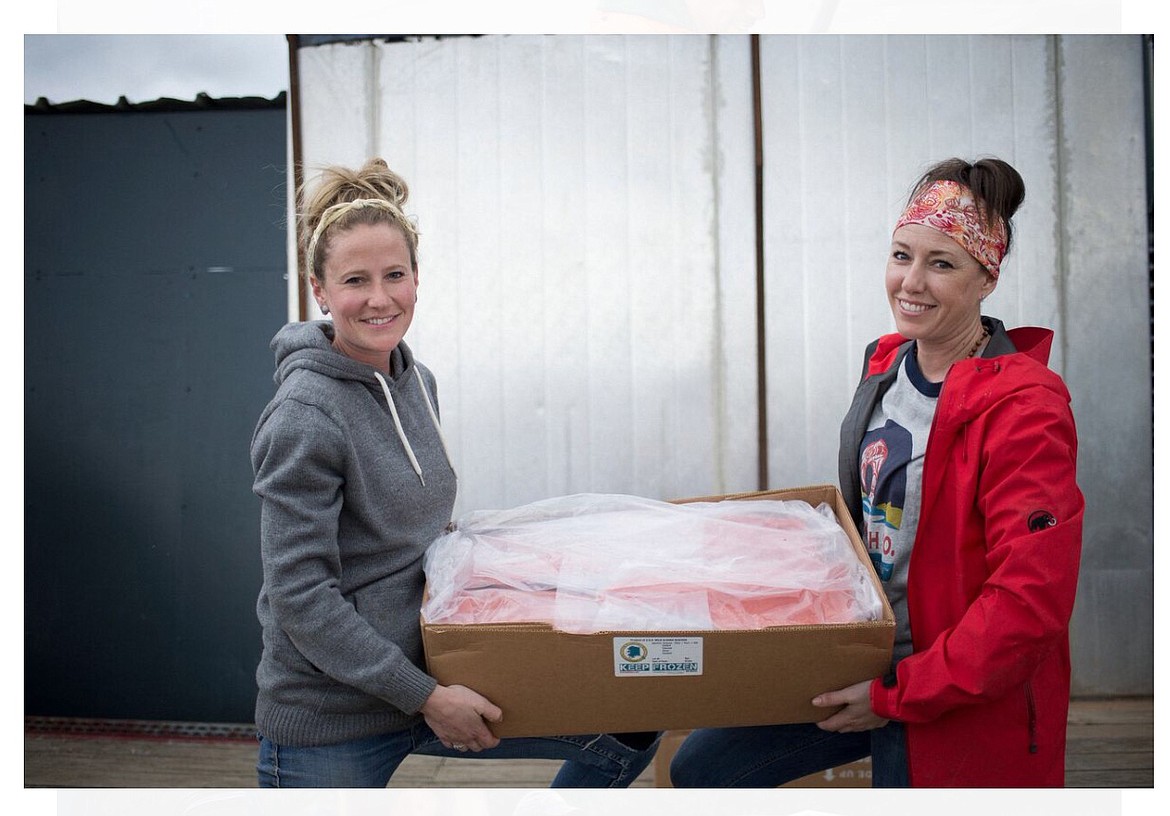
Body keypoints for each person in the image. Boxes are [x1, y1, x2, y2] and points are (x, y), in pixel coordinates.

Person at [670, 157, 1084, 787]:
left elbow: (1029, 606)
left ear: (985, 279)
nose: (910, 282)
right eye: (901, 255)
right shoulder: (886, 365)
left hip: (950, 690)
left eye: (941, 264)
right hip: (866, 657)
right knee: (704, 768)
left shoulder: (1026, 410)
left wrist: (896, 692)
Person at [250, 157, 659, 787]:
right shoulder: (304, 416)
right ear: (319, 290)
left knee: (629, 729)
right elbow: (300, 598)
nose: (380, 298)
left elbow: (421, 535)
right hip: (336, 712)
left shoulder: (415, 382)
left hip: (437, 668)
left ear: (418, 278)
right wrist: (423, 696)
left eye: (395, 274)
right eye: (355, 280)